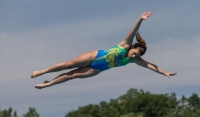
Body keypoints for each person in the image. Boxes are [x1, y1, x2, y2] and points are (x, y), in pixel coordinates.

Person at [31, 11, 176, 89]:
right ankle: (41, 72)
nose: (133, 57)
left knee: (71, 76)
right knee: (68, 65)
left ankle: (48, 84)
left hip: (96, 69)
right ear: (132, 48)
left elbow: (151, 66)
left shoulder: (135, 60)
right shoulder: (125, 44)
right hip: (93, 56)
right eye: (134, 53)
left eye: (136, 56)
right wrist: (140, 18)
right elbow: (134, 30)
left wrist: (165, 73)